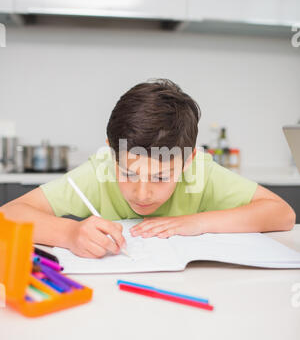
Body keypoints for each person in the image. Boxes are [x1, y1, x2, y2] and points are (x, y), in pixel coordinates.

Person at [0, 79, 296, 258]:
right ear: (111, 152)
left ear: (188, 161)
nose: (142, 193)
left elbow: (282, 214)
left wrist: (199, 222)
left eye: (161, 176)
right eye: (128, 173)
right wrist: (69, 234)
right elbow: (8, 214)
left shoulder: (199, 172)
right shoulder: (100, 170)